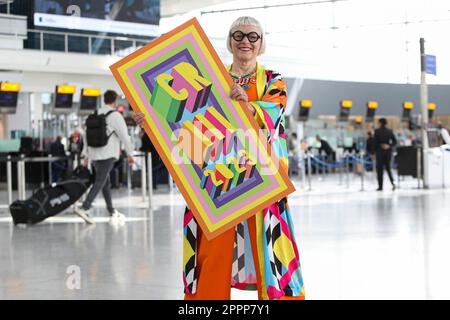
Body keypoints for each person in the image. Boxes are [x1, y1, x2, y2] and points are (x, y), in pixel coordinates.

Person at [133, 16, 305, 300]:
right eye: (238, 35)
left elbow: (275, 113)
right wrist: (150, 120)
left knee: (269, 247)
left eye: (253, 36)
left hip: (259, 177)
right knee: (212, 250)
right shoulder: (211, 77)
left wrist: (248, 105)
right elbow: (185, 119)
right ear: (229, 42)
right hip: (216, 176)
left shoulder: (273, 80)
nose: (245, 42)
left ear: (261, 44)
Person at [75, 90, 135, 225]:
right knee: (100, 181)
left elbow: (86, 136)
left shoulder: (95, 114)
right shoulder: (115, 116)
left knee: (105, 183)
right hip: (107, 154)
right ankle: (85, 207)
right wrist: (130, 154)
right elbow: (124, 136)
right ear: (115, 101)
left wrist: (86, 155)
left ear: (104, 100)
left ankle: (111, 210)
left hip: (95, 154)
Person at [374, 118, 397, 191]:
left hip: (380, 152)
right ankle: (393, 183)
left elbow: (375, 142)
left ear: (380, 123)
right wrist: (388, 145)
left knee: (379, 170)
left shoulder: (377, 131)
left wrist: (381, 145)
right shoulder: (389, 131)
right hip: (388, 152)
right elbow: (395, 141)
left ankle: (380, 186)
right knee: (388, 168)